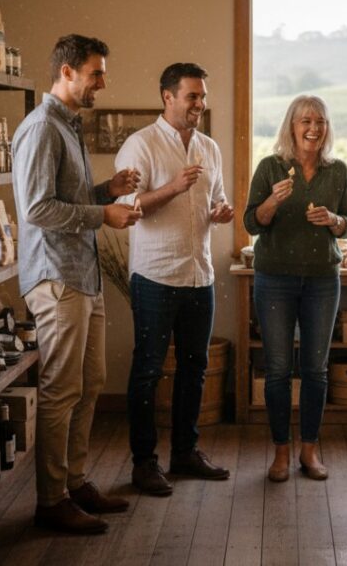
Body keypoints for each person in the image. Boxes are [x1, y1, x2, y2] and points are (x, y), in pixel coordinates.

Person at [12, 34, 141, 534]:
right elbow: (37, 209)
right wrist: (103, 212)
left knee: (89, 385)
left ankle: (76, 481)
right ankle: (51, 500)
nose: (103, 82)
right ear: (66, 72)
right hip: (56, 277)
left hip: (81, 276)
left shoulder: (67, 126)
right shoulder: (42, 128)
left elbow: (65, 197)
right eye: (96, 73)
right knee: (61, 390)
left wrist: (104, 190)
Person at [115, 63, 234, 496]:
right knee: (148, 370)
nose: (200, 105)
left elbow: (218, 201)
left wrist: (222, 212)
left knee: (194, 368)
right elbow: (127, 209)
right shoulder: (139, 145)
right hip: (155, 275)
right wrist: (173, 188)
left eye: (202, 97)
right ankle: (143, 463)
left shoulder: (210, 148)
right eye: (192, 97)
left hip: (198, 274)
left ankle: (185, 453)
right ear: (168, 97)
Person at [244, 94, 347, 482]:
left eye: (320, 122)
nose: (314, 128)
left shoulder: (337, 171)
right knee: (277, 370)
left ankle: (309, 451)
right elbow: (252, 222)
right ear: (291, 126)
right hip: (274, 278)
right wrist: (272, 203)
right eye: (305, 121)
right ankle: (280, 453)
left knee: (315, 369)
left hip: (323, 279)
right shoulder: (270, 167)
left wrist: (334, 221)